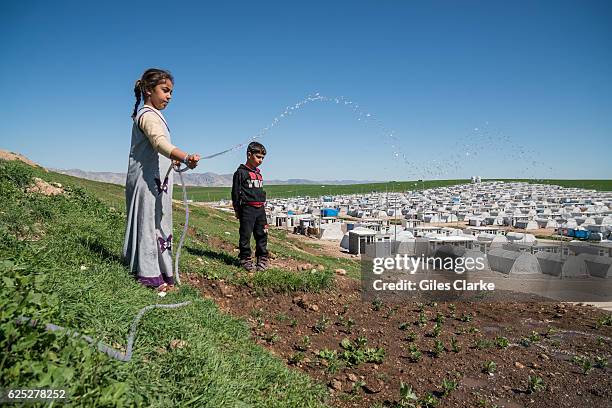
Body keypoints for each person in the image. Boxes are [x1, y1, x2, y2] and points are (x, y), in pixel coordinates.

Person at [122, 68, 200, 291]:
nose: (169, 96)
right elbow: (158, 143)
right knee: (149, 224)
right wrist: (184, 156)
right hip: (146, 183)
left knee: (160, 224)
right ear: (148, 90)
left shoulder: (156, 116)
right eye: (165, 91)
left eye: (171, 92)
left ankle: (163, 274)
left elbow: (157, 151)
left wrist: (172, 163)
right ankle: (149, 278)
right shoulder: (147, 115)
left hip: (157, 184)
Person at [232, 142, 269, 272]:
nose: (261, 160)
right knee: (245, 235)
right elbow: (235, 193)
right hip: (247, 209)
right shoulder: (240, 173)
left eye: (263, 158)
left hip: (260, 210)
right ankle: (245, 258)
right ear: (249, 155)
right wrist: (237, 209)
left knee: (262, 234)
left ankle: (262, 258)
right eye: (258, 157)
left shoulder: (259, 174)